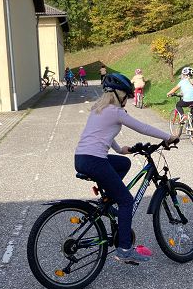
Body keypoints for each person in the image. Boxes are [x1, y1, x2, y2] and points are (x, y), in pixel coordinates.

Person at [75, 73, 178, 265]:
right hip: (95, 160)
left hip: (82, 158)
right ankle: (124, 250)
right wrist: (168, 137)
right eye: (126, 96)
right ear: (118, 94)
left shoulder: (98, 109)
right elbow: (143, 127)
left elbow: (101, 134)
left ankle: (109, 199)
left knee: (124, 163)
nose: (127, 100)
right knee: (126, 201)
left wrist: (121, 150)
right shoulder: (115, 111)